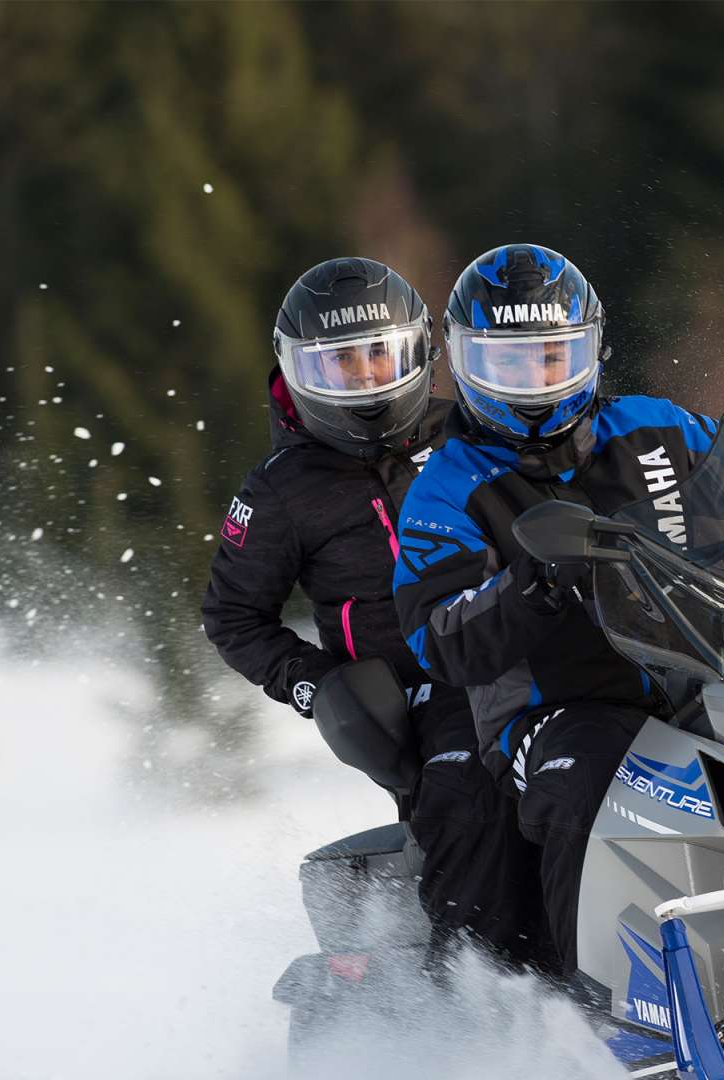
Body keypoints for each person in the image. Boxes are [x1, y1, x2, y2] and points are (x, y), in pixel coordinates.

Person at [200, 257, 541, 970]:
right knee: (471, 788)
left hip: (527, 646)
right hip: (418, 691)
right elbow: (235, 616)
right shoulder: (282, 491)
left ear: (420, 352)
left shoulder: (477, 435)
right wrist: (318, 684)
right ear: (298, 374)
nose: (367, 383)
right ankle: (475, 991)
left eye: (381, 359)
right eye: (341, 368)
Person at [392, 243, 718, 975]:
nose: (532, 383)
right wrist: (531, 585)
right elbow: (436, 634)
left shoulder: (655, 429)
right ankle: (596, 1003)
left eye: (551, 358)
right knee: (596, 787)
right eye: (506, 364)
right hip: (557, 709)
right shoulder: (449, 488)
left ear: (591, 351)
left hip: (710, 674)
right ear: (463, 363)